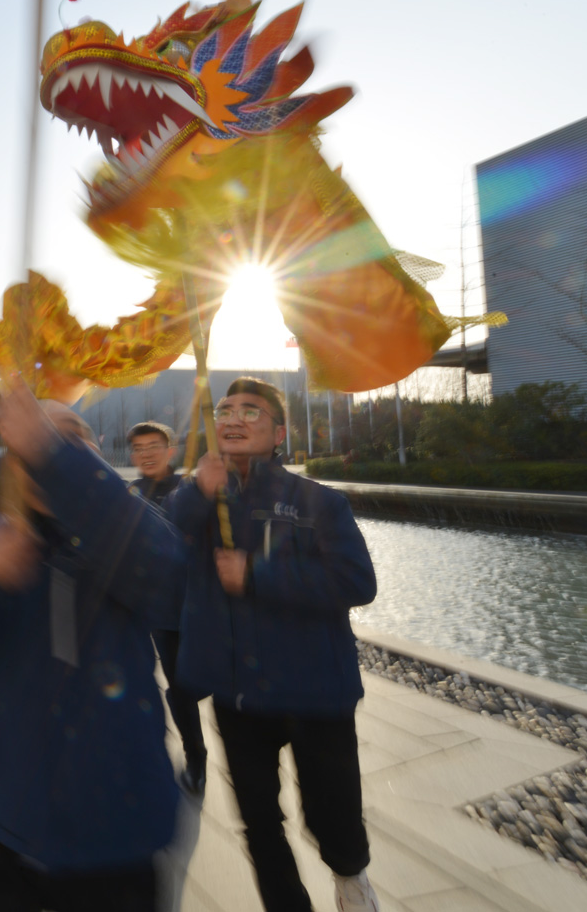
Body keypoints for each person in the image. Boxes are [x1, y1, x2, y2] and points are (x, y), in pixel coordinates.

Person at [0, 383, 189, 911]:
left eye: (71, 438)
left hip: (120, 836)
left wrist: (53, 456)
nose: (49, 447)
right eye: (35, 438)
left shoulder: (125, 534)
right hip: (9, 827)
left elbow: (170, 580)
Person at [173, 377, 380, 912]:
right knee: (260, 825)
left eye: (252, 412)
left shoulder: (318, 502)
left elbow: (357, 582)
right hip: (239, 697)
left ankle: (351, 879)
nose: (234, 418)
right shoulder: (199, 500)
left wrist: (258, 574)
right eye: (225, 410)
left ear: (280, 432)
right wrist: (197, 492)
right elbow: (162, 544)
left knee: (332, 817)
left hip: (316, 693)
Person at [128, 420, 208, 796]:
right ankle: (193, 756)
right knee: (166, 689)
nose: (145, 454)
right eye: (139, 448)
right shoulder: (129, 493)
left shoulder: (188, 488)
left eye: (153, 446)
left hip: (190, 607)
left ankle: (196, 755)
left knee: (187, 685)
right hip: (151, 608)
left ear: (170, 450)